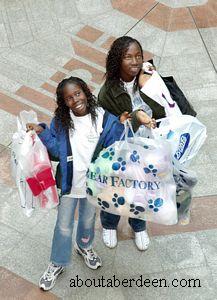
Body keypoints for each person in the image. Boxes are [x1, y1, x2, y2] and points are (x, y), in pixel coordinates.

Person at [26, 76, 142, 291]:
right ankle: (57, 262)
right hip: (70, 186)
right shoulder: (61, 121)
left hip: (93, 186)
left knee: (88, 219)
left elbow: (114, 145)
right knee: (63, 225)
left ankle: (84, 246)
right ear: (64, 103)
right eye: (68, 98)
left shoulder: (103, 118)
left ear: (86, 92)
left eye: (77, 93)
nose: (75, 100)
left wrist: (121, 125)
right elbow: (54, 150)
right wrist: (42, 132)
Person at [98, 36, 166, 251]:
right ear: (118, 60)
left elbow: (165, 109)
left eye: (138, 56)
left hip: (147, 146)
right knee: (114, 188)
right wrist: (136, 118)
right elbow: (109, 130)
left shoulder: (148, 79)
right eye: (128, 57)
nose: (135, 61)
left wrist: (152, 84)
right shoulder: (108, 92)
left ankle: (138, 226)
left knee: (141, 189)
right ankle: (109, 224)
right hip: (121, 149)